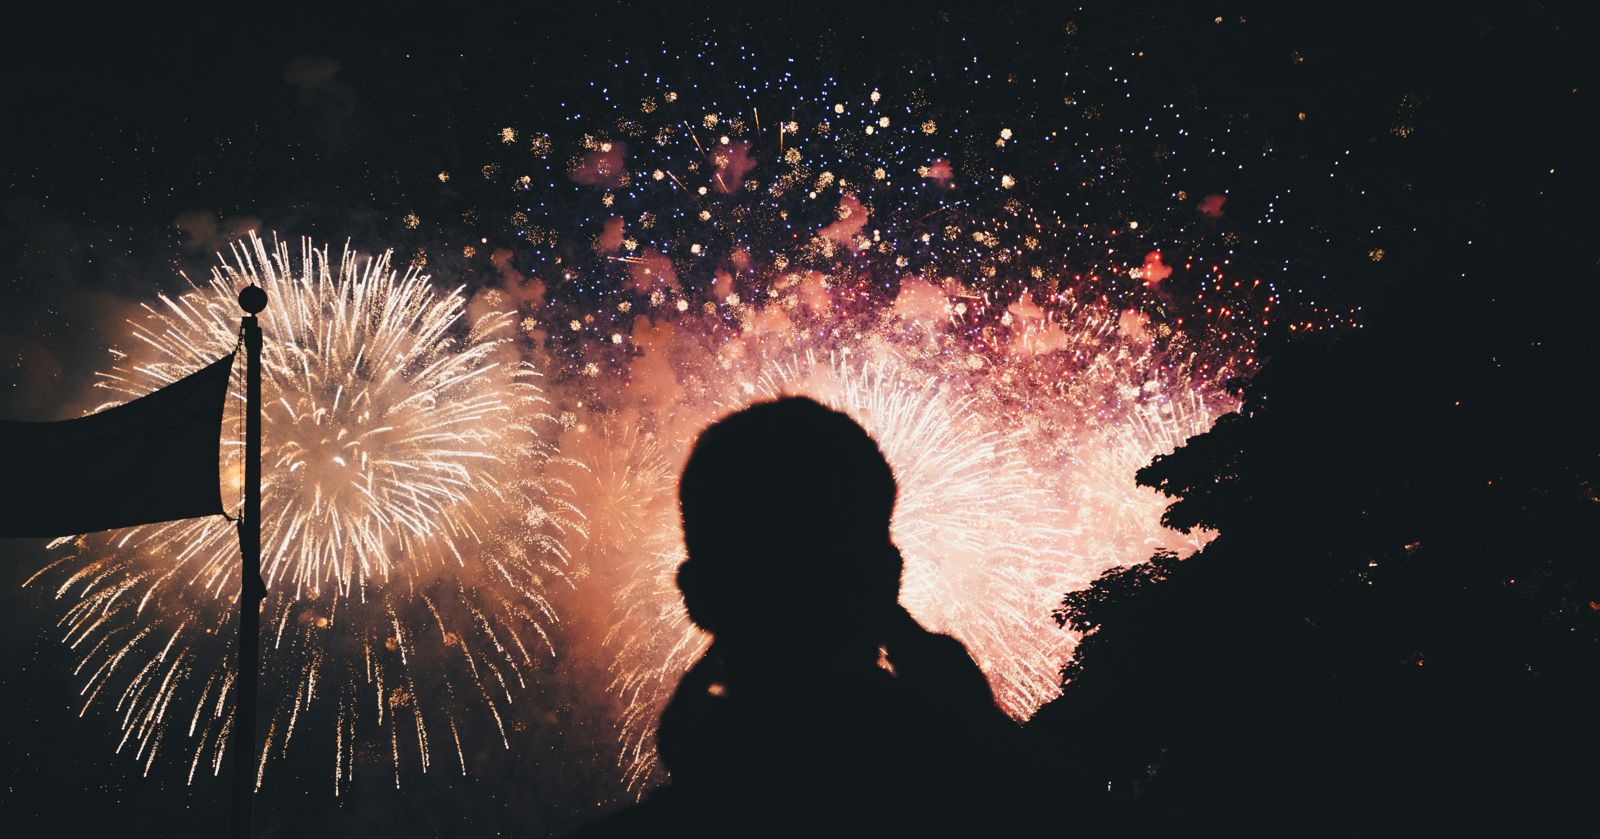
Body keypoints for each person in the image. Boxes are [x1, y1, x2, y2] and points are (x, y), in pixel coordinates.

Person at [575, 397, 1022, 837]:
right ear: (889, 574)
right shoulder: (987, 804)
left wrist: (705, 791)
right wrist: (993, 754)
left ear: (698, 596)